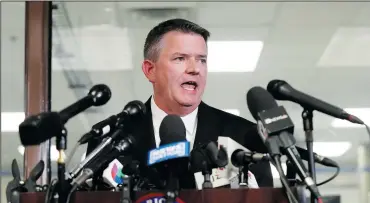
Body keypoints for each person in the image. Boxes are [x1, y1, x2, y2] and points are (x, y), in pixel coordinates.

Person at [88, 18, 273, 189]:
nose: (195, 69)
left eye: (202, 60)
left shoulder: (245, 137)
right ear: (150, 70)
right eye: (180, 58)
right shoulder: (110, 139)